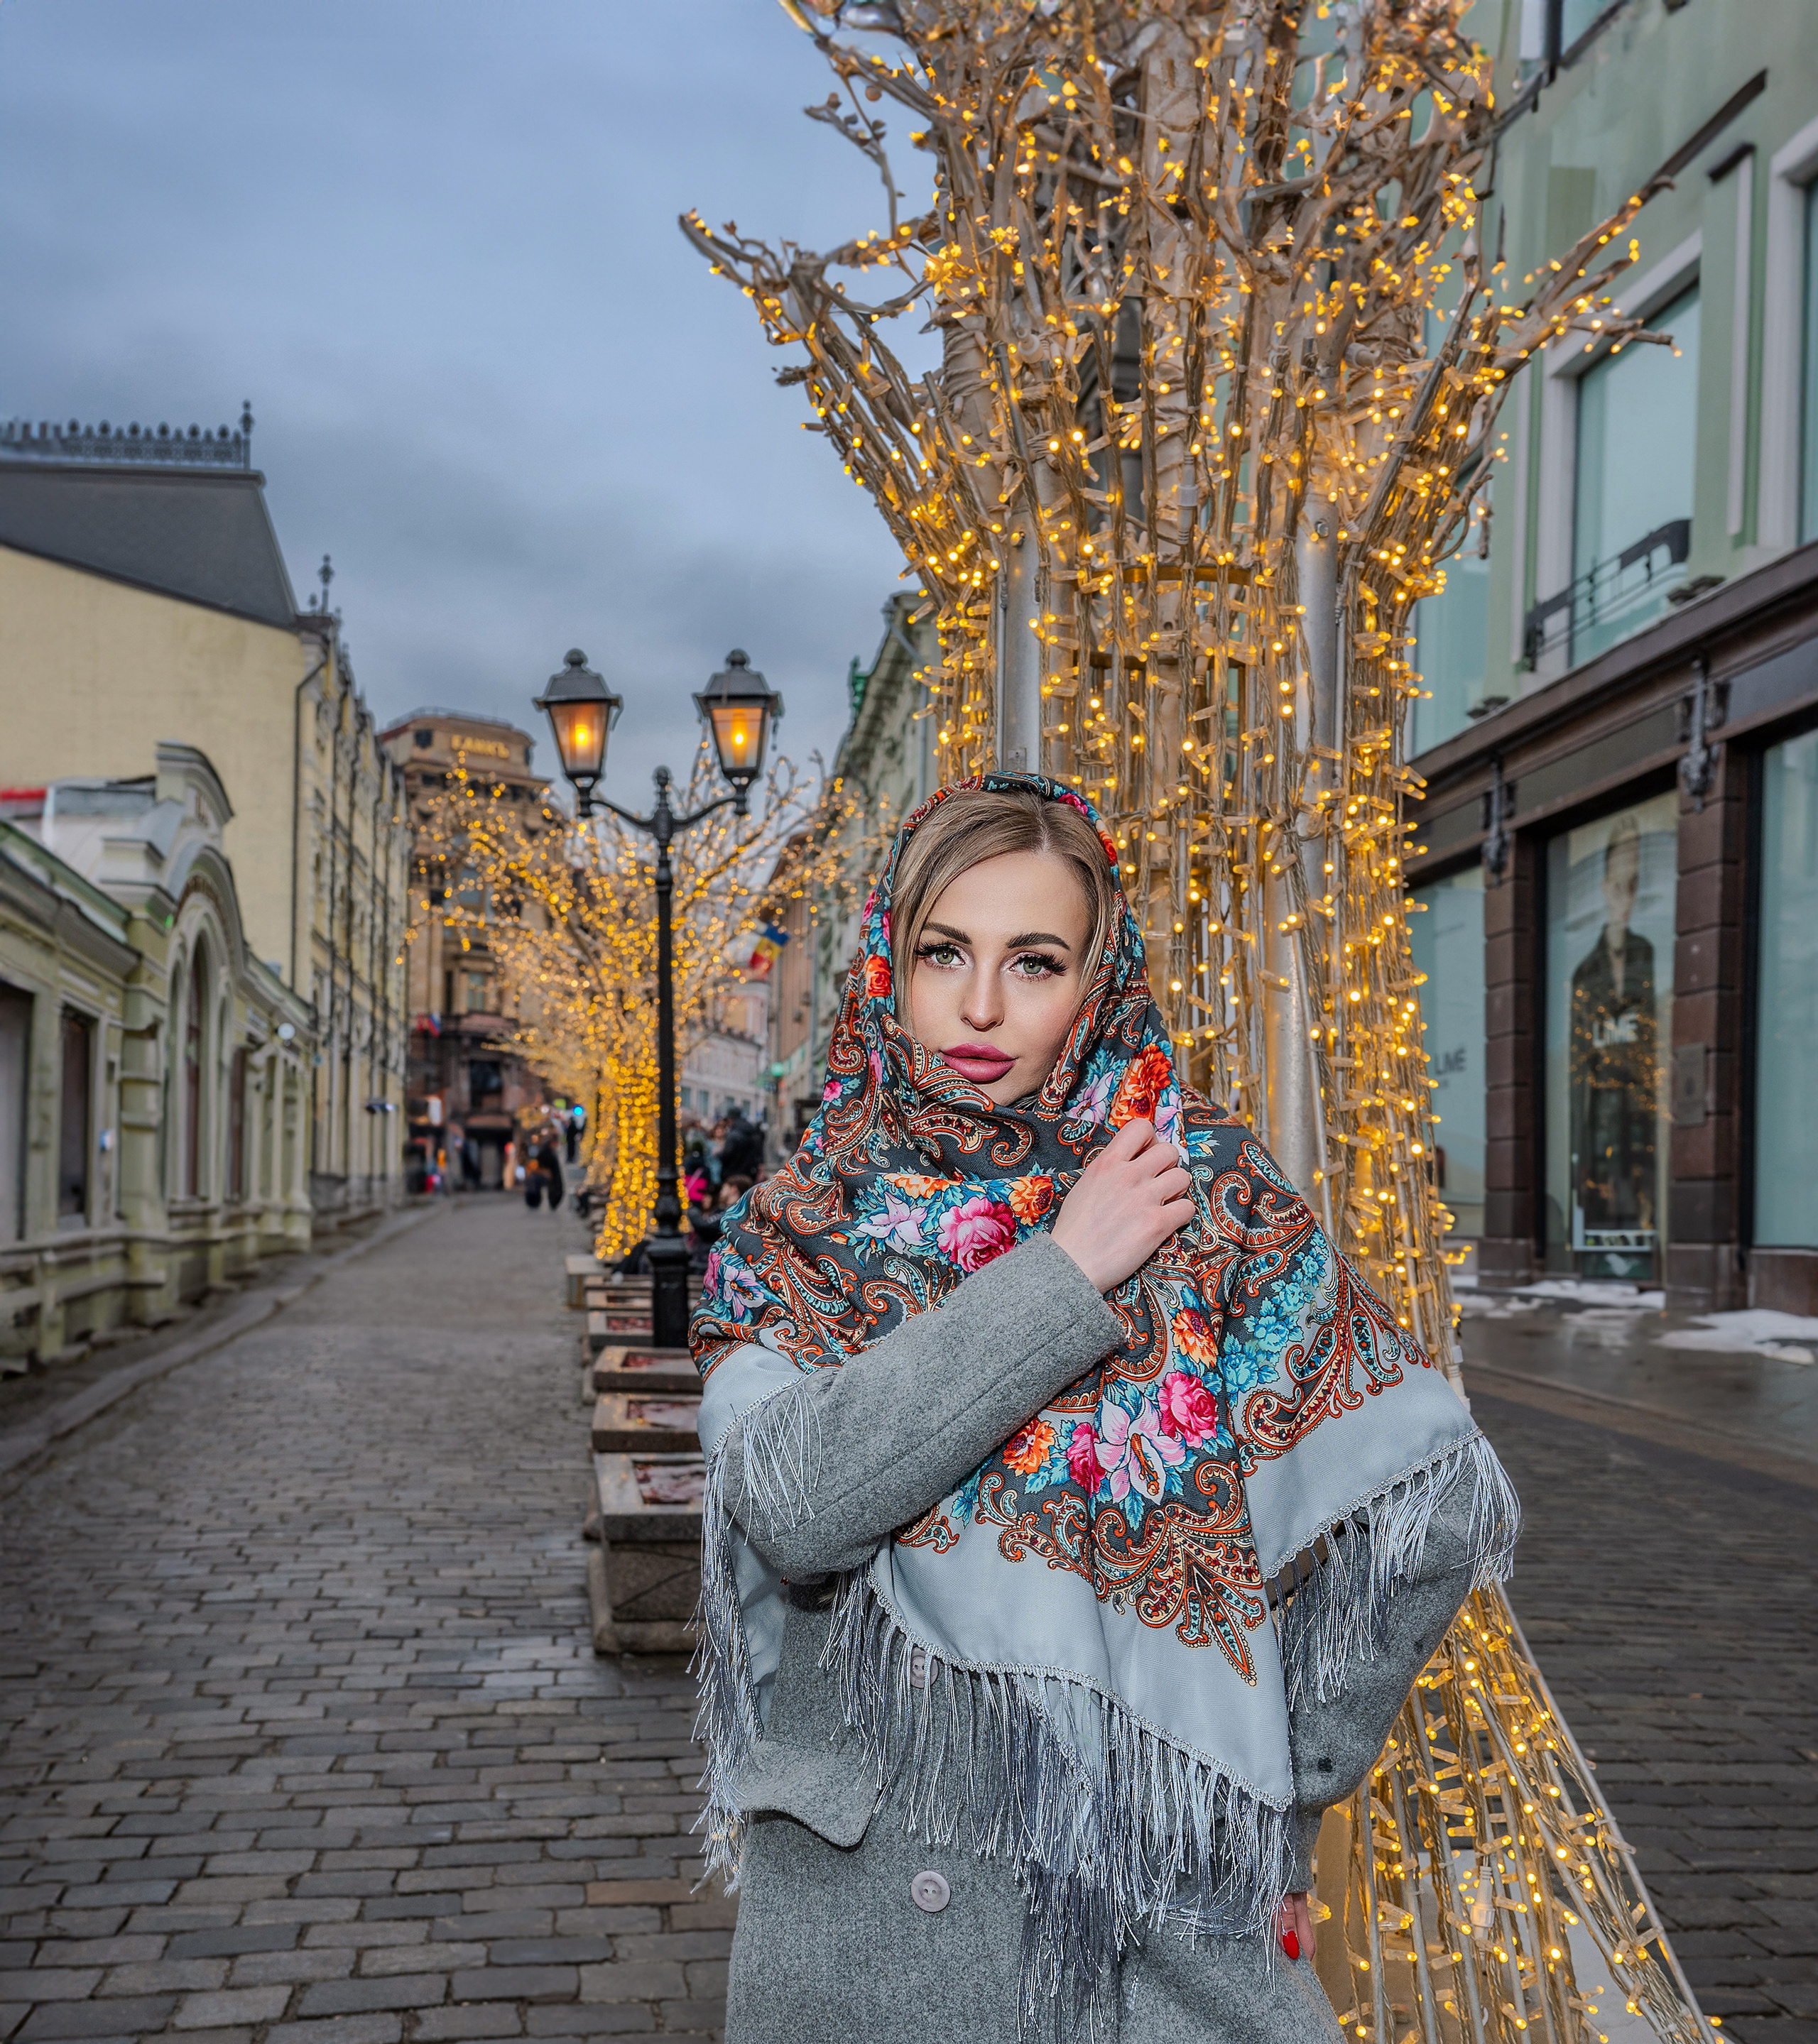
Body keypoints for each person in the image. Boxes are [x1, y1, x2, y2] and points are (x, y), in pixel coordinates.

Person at [690, 776, 1518, 2044]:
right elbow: (799, 1504)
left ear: (1099, 978)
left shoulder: (1197, 1185)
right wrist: (1064, 1273)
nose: (978, 1006)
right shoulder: (799, 1224)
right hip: (876, 1933)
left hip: (1157, 1941)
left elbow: (1434, 1500)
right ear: (885, 964)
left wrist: (1259, 1792)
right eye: (942, 952)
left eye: (1034, 960)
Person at [535, 1132, 565, 1216]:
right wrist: (545, 1170)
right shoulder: (546, 1151)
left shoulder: (549, 1150)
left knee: (556, 1189)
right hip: (552, 1174)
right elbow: (540, 1159)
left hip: (555, 1174)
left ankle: (553, 1203)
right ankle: (553, 1203)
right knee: (554, 1189)